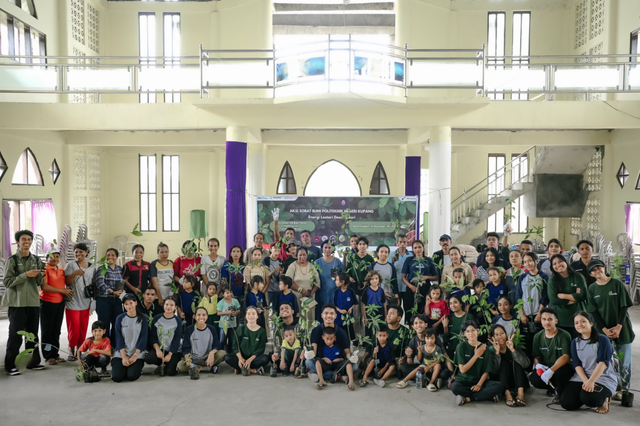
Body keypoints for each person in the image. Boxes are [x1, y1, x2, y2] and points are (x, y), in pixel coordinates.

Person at [586, 259, 635, 398]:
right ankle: (612, 387)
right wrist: (604, 329)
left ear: (604, 268)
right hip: (604, 331)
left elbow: (624, 306)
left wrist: (619, 326)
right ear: (591, 274)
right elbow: (593, 312)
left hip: (622, 329)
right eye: (593, 270)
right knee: (608, 361)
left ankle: (624, 390)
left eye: (599, 268)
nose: (597, 271)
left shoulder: (616, 284)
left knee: (624, 362)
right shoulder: (592, 289)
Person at [3, 230, 45, 375]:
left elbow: (39, 282)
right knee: (15, 335)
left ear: (32, 241)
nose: (26, 242)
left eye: (29, 239)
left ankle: (33, 362)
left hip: (33, 302)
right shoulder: (12, 260)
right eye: (23, 239)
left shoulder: (37, 260)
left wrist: (42, 275)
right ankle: (10, 365)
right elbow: (7, 282)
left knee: (33, 335)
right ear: (18, 242)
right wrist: (25, 275)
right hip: (17, 304)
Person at [560, 311, 617, 414]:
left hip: (602, 377)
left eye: (583, 321)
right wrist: (586, 381)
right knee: (567, 403)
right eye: (576, 323)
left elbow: (602, 363)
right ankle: (584, 395)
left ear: (591, 323)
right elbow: (577, 365)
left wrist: (591, 381)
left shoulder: (602, 339)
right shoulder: (575, 342)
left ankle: (605, 399)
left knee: (590, 399)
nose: (579, 325)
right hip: (582, 377)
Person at [450, 320, 503, 406]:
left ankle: (468, 398)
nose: (471, 333)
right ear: (464, 334)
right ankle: (485, 396)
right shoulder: (461, 346)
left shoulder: (484, 348)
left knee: (499, 385)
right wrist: (476, 355)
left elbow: (486, 371)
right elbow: (462, 370)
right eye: (467, 331)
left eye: (473, 330)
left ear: (477, 331)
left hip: (480, 381)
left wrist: (479, 384)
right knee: (454, 387)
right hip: (464, 380)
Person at [529, 308, 573, 403]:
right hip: (546, 366)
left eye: (550, 319)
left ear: (556, 320)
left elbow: (566, 356)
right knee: (534, 379)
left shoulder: (564, 335)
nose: (546, 322)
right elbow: (536, 356)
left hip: (561, 367)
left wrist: (551, 370)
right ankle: (552, 388)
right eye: (544, 319)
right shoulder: (538, 336)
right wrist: (538, 366)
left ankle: (561, 390)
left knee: (561, 373)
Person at [305, 304, 357, 383]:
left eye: (331, 313)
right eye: (326, 313)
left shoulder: (342, 332)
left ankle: (320, 374)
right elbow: (314, 352)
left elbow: (347, 352)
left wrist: (351, 358)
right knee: (308, 361)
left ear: (335, 315)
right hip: (322, 362)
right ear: (322, 315)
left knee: (355, 367)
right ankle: (339, 377)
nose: (329, 316)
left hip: (338, 362)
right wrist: (308, 354)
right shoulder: (316, 331)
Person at [40, 247, 70, 365]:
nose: (55, 259)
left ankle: (55, 354)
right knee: (47, 331)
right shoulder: (45, 269)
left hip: (59, 304)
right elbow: (44, 287)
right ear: (47, 258)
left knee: (56, 330)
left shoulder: (61, 270)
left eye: (57, 256)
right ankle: (48, 355)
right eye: (52, 256)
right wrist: (62, 291)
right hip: (47, 303)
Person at [65, 242, 95, 361]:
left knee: (83, 329)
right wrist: (74, 274)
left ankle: (80, 350)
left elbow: (94, 284)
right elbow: (68, 282)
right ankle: (71, 351)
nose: (78, 254)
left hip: (86, 301)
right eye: (76, 252)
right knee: (74, 329)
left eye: (81, 252)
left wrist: (94, 300)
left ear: (86, 252)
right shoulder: (71, 265)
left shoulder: (92, 266)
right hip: (73, 301)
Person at [516, 252, 549, 358]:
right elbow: (518, 296)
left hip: (538, 315)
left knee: (539, 341)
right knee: (527, 342)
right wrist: (522, 314)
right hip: (525, 315)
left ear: (536, 261)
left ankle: (540, 365)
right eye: (525, 262)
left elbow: (545, 296)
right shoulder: (522, 277)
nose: (527, 263)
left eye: (530, 260)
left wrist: (540, 313)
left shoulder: (543, 276)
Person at [488, 324, 530, 407]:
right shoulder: (491, 350)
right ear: (492, 337)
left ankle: (520, 394)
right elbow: (494, 371)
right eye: (496, 335)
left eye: (502, 333)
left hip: (517, 380)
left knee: (517, 361)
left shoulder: (514, 344)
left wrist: (513, 350)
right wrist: (497, 353)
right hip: (502, 382)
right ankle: (508, 395)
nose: (500, 337)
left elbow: (526, 364)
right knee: (503, 363)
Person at [179, 307, 226, 379]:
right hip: (194, 359)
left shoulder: (211, 329)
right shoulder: (189, 329)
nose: (201, 317)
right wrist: (187, 358)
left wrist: (211, 353)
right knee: (180, 366)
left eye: (204, 315)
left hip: (207, 359)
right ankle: (207, 368)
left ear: (207, 317)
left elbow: (216, 345)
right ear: (194, 316)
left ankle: (196, 369)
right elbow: (185, 347)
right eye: (199, 315)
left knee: (223, 354)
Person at [548, 254, 588, 338]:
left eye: (560, 261)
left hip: (578, 318)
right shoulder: (552, 280)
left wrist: (562, 295)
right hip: (561, 319)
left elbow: (583, 295)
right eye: (554, 264)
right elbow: (554, 299)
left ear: (566, 262)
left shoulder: (578, 277)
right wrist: (574, 297)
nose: (558, 265)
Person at [111, 294, 148, 382]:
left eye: (131, 303)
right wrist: (124, 356)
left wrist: (135, 355)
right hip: (122, 352)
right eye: (126, 304)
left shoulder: (143, 318)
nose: (129, 306)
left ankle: (136, 367)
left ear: (135, 303)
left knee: (131, 376)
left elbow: (143, 337)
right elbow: (118, 338)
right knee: (117, 377)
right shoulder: (120, 318)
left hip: (137, 353)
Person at [224, 306, 269, 375]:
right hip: (241, 358)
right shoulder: (240, 329)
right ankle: (252, 370)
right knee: (227, 357)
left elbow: (260, 349)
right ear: (245, 316)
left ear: (257, 316)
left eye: (253, 314)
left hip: (254, 359)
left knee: (265, 358)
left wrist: (249, 360)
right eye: (248, 314)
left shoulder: (262, 331)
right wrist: (240, 358)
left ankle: (241, 368)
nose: (251, 316)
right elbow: (235, 346)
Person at [93, 248, 123, 349]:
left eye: (113, 255)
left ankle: (114, 346)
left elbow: (122, 283)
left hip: (117, 301)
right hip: (104, 300)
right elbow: (100, 284)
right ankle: (104, 347)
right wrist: (113, 292)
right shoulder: (102, 268)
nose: (110, 257)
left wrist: (121, 291)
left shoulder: (120, 269)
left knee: (117, 324)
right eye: (108, 255)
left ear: (117, 257)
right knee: (104, 325)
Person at [401, 240, 437, 322]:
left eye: (420, 247)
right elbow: (403, 277)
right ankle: (411, 331)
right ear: (413, 250)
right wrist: (411, 286)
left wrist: (427, 277)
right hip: (411, 287)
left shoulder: (429, 260)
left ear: (423, 248)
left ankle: (424, 330)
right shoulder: (409, 260)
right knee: (411, 309)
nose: (418, 249)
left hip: (425, 287)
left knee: (424, 309)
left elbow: (436, 277)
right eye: (415, 248)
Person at [146, 297, 182, 376]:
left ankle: (167, 364)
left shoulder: (177, 321)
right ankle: (161, 364)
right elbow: (152, 336)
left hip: (173, 351)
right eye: (167, 304)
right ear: (163, 305)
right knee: (149, 358)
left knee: (170, 372)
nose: (168, 307)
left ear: (175, 307)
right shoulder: (157, 318)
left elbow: (177, 339)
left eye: (171, 305)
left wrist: (169, 354)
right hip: (161, 348)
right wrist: (158, 350)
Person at [315, 327, 356, 391]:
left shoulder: (338, 347)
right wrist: (325, 359)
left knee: (348, 363)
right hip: (327, 364)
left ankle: (351, 381)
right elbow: (319, 357)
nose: (329, 341)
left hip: (337, 364)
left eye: (331, 339)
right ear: (323, 337)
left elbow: (343, 358)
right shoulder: (322, 347)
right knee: (317, 362)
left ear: (334, 337)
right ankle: (321, 380)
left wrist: (339, 359)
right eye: (327, 339)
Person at [286, 247, 320, 322]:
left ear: (307, 255)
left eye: (304, 255)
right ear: (297, 255)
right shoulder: (293, 266)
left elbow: (317, 282)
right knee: (299, 319)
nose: (302, 257)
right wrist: (300, 290)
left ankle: (310, 333)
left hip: (309, 297)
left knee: (309, 319)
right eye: (300, 255)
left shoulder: (311, 266)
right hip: (296, 297)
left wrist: (311, 293)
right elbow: (288, 282)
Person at [316, 241, 345, 316]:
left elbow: (344, 275)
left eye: (330, 247)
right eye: (325, 247)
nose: (327, 249)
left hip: (336, 293)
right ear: (322, 249)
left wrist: (338, 276)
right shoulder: (317, 262)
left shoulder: (337, 261)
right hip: (322, 293)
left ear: (333, 249)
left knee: (335, 314)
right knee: (324, 315)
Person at [398, 314, 428, 378]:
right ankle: (424, 378)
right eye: (416, 323)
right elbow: (410, 363)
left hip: (432, 366)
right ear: (413, 326)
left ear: (426, 324)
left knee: (443, 373)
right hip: (421, 366)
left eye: (421, 322)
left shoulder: (432, 337)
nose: (418, 325)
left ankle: (420, 377)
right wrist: (408, 356)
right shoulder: (413, 341)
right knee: (403, 368)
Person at [443, 295, 469, 361]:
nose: (453, 305)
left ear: (460, 304)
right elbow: (446, 339)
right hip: (452, 351)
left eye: (455, 302)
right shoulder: (449, 318)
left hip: (466, 350)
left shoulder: (468, 317)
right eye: (450, 303)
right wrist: (445, 327)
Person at [334, 272, 357, 340]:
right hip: (339, 317)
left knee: (349, 331)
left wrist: (350, 309)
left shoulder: (351, 291)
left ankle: (352, 344)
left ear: (343, 281)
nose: (336, 282)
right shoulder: (336, 292)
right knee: (340, 333)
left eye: (337, 280)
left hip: (348, 317)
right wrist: (340, 311)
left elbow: (355, 302)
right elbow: (334, 305)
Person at [392, 234, 412, 312]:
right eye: (400, 242)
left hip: (408, 286)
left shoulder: (411, 256)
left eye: (404, 242)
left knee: (408, 308)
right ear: (397, 243)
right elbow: (389, 271)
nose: (402, 244)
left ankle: (409, 323)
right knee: (396, 308)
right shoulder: (392, 255)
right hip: (396, 286)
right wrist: (393, 263)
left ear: (407, 243)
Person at [217, 285, 241, 351]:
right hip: (223, 325)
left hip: (233, 324)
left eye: (230, 292)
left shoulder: (235, 301)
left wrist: (236, 312)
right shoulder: (221, 303)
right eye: (227, 293)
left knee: (232, 340)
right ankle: (221, 352)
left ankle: (230, 353)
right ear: (222, 294)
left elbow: (239, 309)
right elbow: (218, 313)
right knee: (222, 340)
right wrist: (227, 313)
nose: (229, 294)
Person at [263, 244, 283, 312]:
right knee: (267, 309)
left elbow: (280, 277)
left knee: (276, 311)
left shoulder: (280, 261)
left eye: (279, 247)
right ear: (271, 249)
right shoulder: (266, 260)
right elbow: (265, 274)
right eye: (275, 248)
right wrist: (275, 271)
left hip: (278, 289)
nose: (277, 249)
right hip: (268, 289)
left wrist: (281, 274)